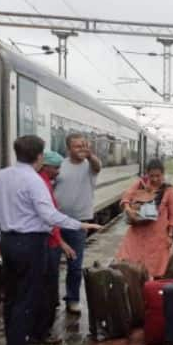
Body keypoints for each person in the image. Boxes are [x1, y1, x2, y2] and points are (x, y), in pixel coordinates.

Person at [0, 135, 100, 345]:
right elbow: (49, 215)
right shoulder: (34, 180)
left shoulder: (1, 176)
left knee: (12, 300)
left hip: (8, 242)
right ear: (39, 157)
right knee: (26, 302)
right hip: (31, 244)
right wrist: (80, 225)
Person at [30, 150, 77, 345]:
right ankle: (41, 332)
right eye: (56, 168)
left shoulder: (44, 182)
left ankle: (40, 331)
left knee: (46, 290)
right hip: (48, 244)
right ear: (45, 166)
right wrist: (61, 242)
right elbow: (49, 218)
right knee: (46, 291)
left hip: (49, 243)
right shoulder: (41, 185)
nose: (58, 172)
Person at [54, 133, 101, 314]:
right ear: (68, 149)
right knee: (51, 264)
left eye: (84, 145)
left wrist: (90, 155)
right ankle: (52, 300)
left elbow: (98, 166)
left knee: (75, 265)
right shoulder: (60, 166)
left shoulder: (90, 165)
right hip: (56, 221)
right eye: (77, 146)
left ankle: (72, 299)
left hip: (79, 222)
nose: (81, 149)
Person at [115, 159, 173, 277]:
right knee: (130, 266)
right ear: (147, 174)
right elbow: (126, 197)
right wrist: (128, 208)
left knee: (154, 270)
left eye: (158, 176)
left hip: (157, 237)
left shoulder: (168, 190)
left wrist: (170, 235)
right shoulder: (140, 184)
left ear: (163, 174)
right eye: (151, 176)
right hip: (136, 235)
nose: (154, 179)